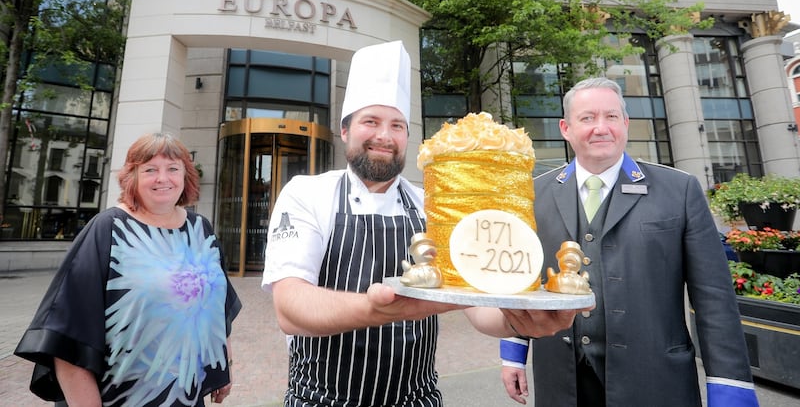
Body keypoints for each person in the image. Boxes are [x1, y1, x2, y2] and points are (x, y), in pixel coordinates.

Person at [262, 40, 579, 407]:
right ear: (345, 130)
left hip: (417, 399)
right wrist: (378, 309)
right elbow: (291, 308)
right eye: (371, 122)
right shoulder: (307, 194)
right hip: (320, 399)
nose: (385, 135)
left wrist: (519, 321)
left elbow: (475, 302)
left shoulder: (431, 206)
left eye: (397, 125)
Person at [499, 77, 758, 406]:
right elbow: (521, 280)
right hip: (563, 381)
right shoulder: (534, 194)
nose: (601, 128)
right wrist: (513, 352)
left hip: (654, 380)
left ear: (626, 123)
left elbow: (713, 298)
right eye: (587, 118)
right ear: (566, 128)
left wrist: (729, 384)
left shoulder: (679, 190)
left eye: (611, 117)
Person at [15, 132, 242, 406]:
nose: (163, 178)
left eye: (173, 169)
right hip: (120, 397)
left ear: (185, 176)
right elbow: (67, 338)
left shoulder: (200, 229)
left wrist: (223, 361)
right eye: (150, 170)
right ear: (132, 177)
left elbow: (218, 305)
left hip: (184, 396)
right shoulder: (108, 229)